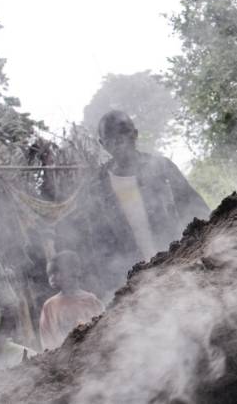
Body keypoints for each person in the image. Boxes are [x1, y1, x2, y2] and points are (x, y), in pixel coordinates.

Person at [59, 110, 210, 298]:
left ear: (135, 134)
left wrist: (207, 248)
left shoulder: (162, 168)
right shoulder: (96, 186)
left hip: (180, 262)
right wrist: (113, 286)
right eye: (111, 138)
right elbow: (97, 241)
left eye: (123, 133)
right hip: (134, 280)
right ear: (102, 144)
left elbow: (195, 208)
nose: (119, 142)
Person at [38, 251, 104, 351]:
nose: (52, 278)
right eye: (50, 274)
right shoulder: (49, 306)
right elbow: (47, 339)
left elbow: (103, 329)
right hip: (63, 358)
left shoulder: (91, 301)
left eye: (56, 272)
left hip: (92, 353)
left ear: (75, 271)